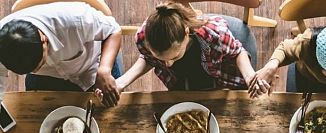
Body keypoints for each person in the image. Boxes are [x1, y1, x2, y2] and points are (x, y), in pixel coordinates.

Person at [96, 1, 267, 99]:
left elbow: (238, 52)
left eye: (175, 55)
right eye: (160, 59)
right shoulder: (144, 36)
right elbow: (147, 58)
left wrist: (250, 75)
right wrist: (121, 83)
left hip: (219, 75)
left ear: (186, 34)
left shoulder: (215, 34)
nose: (167, 64)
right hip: (179, 81)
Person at [0, 2, 122, 107]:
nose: (38, 69)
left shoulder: (76, 19)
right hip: (49, 76)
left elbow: (114, 30)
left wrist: (104, 69)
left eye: (41, 63)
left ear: (43, 39)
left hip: (92, 66)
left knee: (113, 108)